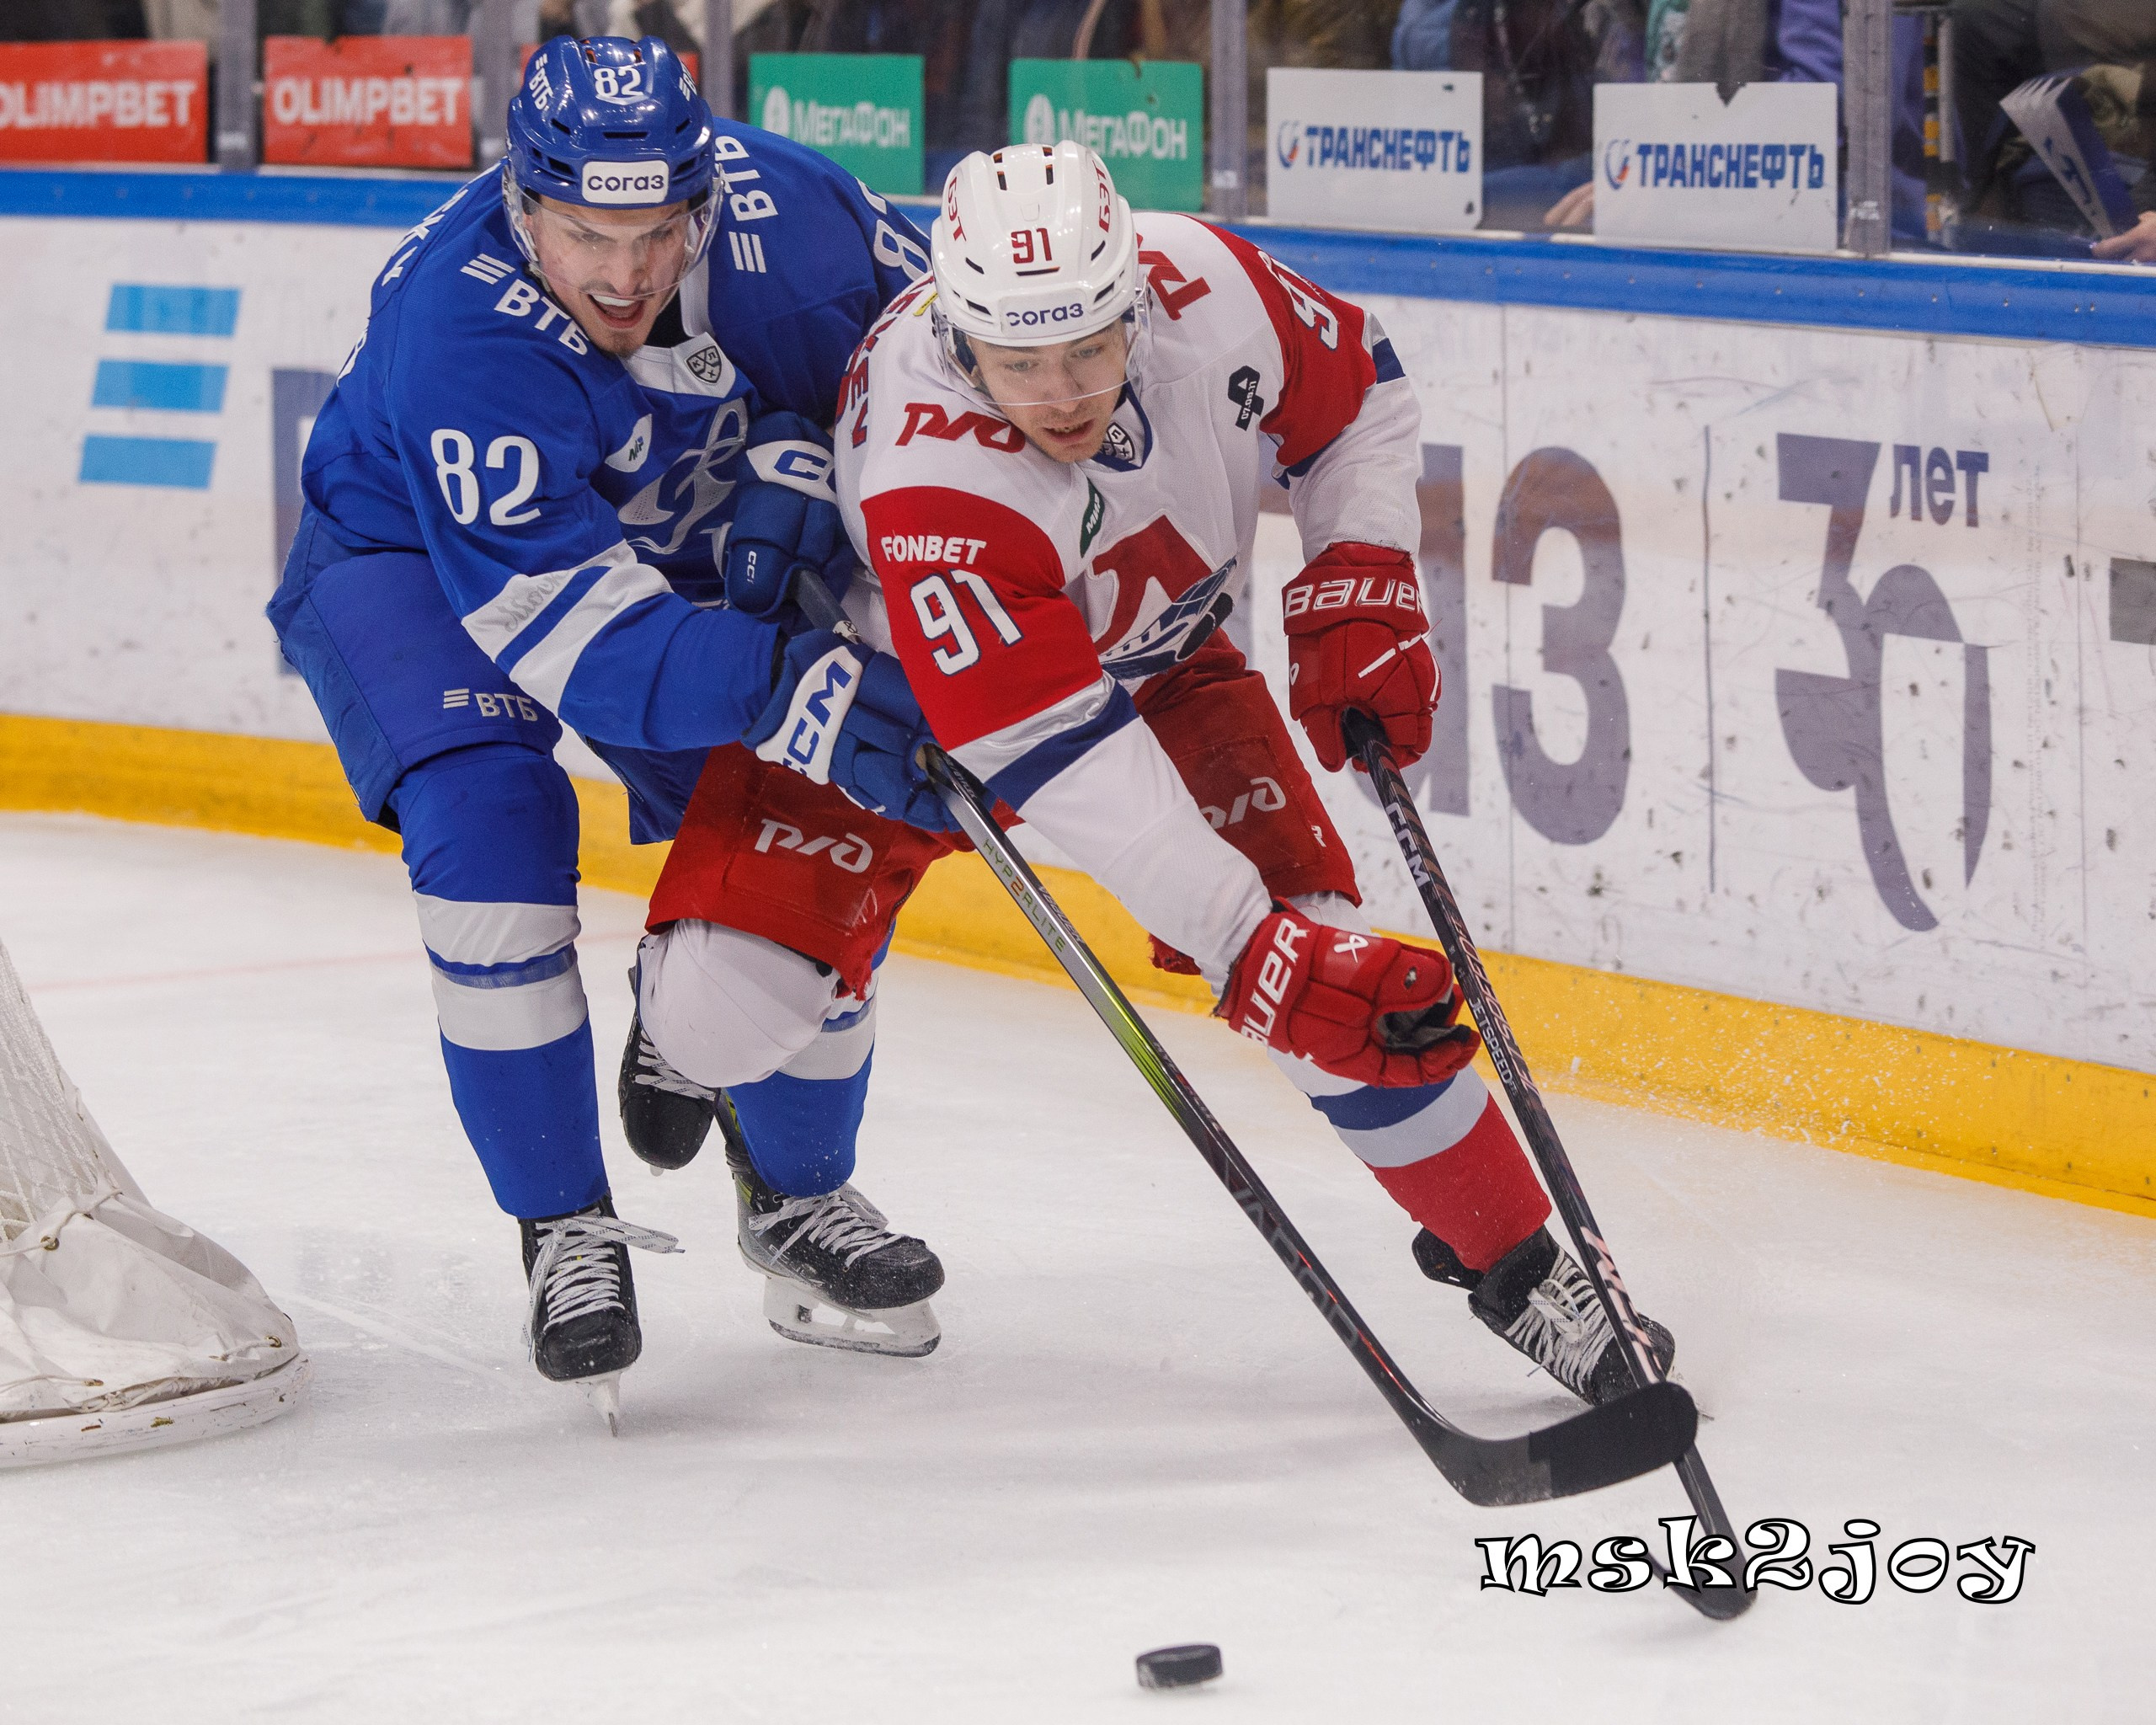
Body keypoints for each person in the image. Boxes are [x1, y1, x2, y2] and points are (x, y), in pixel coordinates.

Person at [624, 141, 1677, 1406]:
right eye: (1018, 362)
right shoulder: (932, 472)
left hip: (1163, 660)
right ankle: (763, 1077)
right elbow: (1066, 762)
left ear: (1136, 296)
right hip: (893, 699)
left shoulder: (1204, 275)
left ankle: (1520, 1265)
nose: (1060, 392)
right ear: (959, 337)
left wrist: (1363, 565)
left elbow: (1360, 393)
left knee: (1336, 957)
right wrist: (1243, 951)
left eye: (1088, 348)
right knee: (722, 1010)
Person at [268, 35, 942, 1417]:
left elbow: (935, 391)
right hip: (412, 556)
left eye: (655, 233)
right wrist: (793, 686)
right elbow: (583, 642)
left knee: (816, 841)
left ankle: (799, 1201)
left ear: (706, 195)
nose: (626, 274)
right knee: (489, 830)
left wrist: (814, 457)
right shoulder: (462, 333)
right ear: (522, 201)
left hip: (674, 545)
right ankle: (564, 1228)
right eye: (585, 234)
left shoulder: (796, 220)